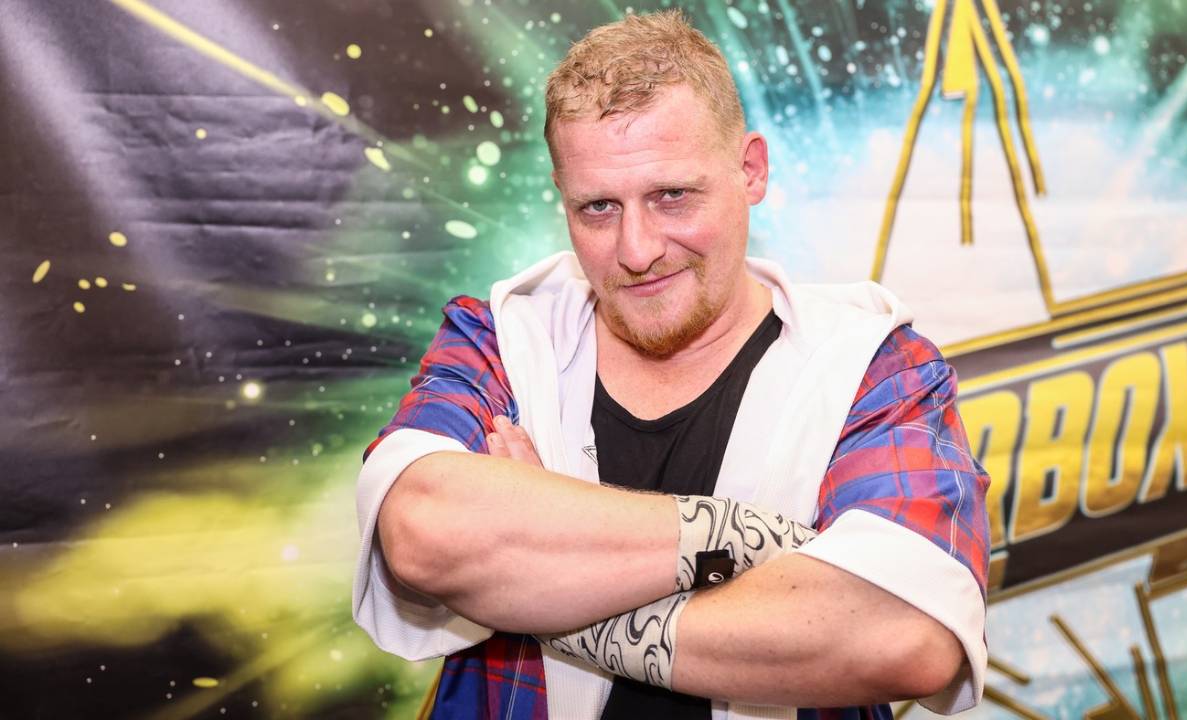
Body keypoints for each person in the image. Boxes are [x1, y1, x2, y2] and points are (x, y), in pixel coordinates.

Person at [353, 10, 990, 720]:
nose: (637, 249)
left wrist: (541, 589)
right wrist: (743, 540)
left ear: (750, 169)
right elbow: (424, 532)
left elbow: (903, 636)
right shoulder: (500, 338)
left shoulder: (874, 368)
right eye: (598, 207)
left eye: (672, 196)